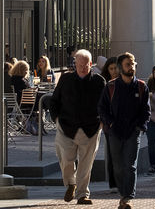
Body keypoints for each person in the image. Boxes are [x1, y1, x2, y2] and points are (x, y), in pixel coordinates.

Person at [52, 48, 105, 204]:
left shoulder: (99, 81)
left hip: (91, 128)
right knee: (65, 159)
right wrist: (56, 118)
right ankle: (71, 183)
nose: (82, 67)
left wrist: (102, 122)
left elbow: (105, 104)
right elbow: (55, 100)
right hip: (66, 126)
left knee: (86, 163)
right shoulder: (65, 79)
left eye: (85, 64)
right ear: (74, 64)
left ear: (90, 64)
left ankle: (82, 194)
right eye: (79, 64)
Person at [97, 52, 149, 209]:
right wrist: (110, 123)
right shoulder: (111, 86)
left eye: (133, 64)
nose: (131, 67)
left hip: (133, 132)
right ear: (120, 68)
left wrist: (141, 126)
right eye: (128, 64)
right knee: (118, 166)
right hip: (115, 132)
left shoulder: (141, 86)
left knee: (130, 165)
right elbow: (102, 108)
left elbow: (146, 110)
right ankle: (123, 194)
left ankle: (127, 197)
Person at [99, 56, 120, 189]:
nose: (114, 71)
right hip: (109, 124)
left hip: (125, 123)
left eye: (116, 68)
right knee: (112, 153)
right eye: (111, 68)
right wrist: (104, 121)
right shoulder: (104, 84)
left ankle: (123, 181)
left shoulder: (126, 81)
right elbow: (100, 105)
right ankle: (113, 184)